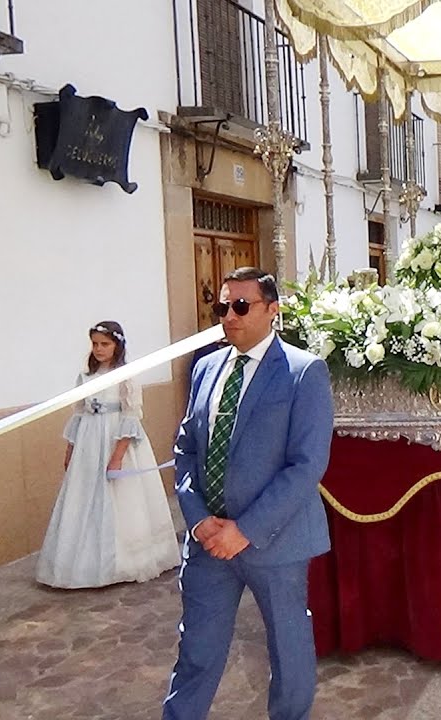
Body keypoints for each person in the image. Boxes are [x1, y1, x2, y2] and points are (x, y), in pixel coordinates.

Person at [163, 267, 334, 720]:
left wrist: (246, 530)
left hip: (274, 542)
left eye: (241, 306)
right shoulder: (204, 368)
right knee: (196, 649)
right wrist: (198, 519)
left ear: (272, 310)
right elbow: (185, 448)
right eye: (223, 307)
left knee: (288, 648)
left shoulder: (304, 372)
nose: (230, 316)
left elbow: (307, 464)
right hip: (208, 543)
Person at [36, 322, 181, 589]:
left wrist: (117, 457)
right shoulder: (85, 376)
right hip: (89, 443)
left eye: (105, 344)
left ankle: (125, 561)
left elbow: (130, 416)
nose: (99, 349)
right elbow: (78, 413)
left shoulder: (126, 375)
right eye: (95, 344)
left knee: (121, 499)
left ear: (117, 345)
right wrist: (70, 449)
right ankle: (82, 563)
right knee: (83, 498)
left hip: (115, 440)